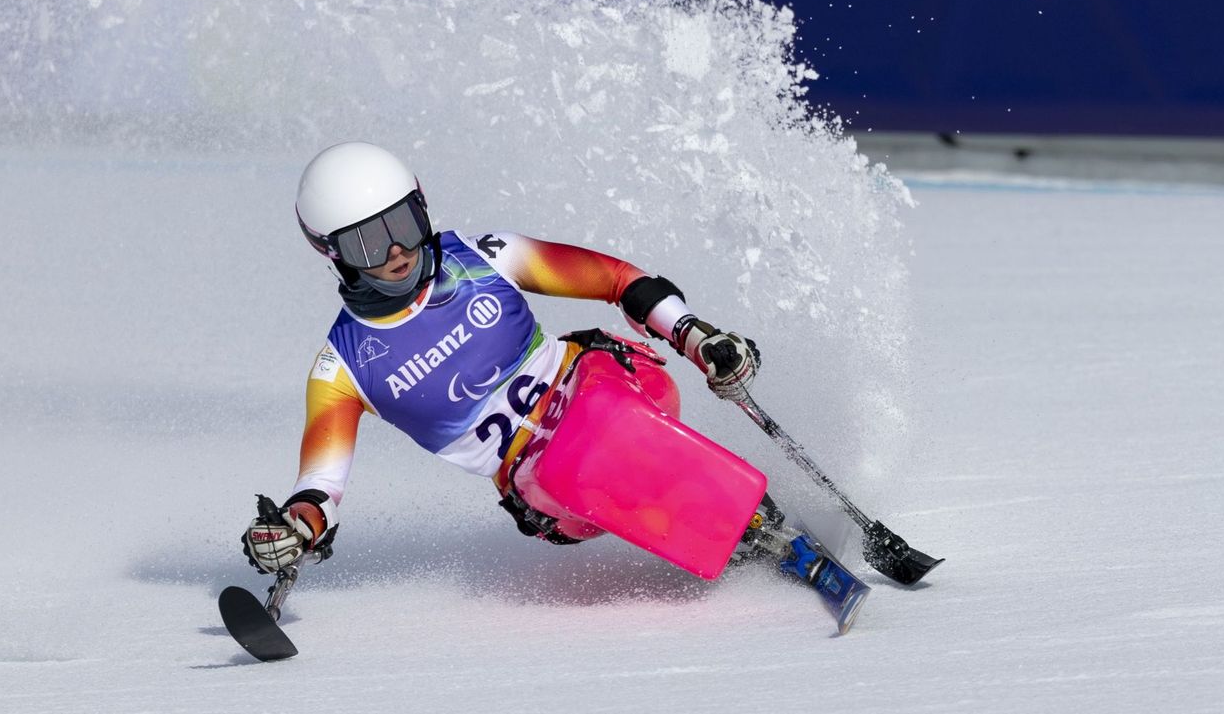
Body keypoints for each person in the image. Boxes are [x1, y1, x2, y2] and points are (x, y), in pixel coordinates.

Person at [240, 141, 863, 623]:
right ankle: (752, 533)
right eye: (366, 243)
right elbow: (320, 486)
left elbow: (617, 280)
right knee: (568, 472)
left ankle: (763, 526)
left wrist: (696, 336)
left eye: (404, 222)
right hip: (548, 488)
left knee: (602, 433)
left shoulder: (482, 255)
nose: (397, 251)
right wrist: (293, 529)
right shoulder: (342, 367)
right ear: (332, 253)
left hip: (607, 384)